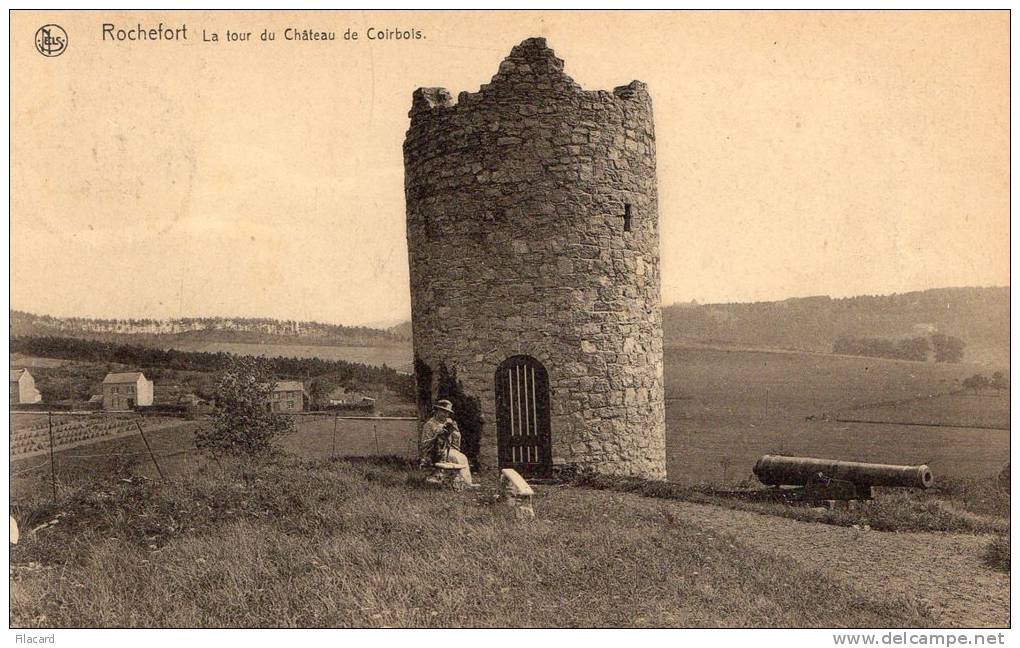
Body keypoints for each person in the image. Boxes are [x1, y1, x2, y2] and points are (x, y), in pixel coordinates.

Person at [420, 399, 473, 486]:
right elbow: (424, 445)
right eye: (443, 411)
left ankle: (466, 482)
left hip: (448, 450)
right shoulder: (429, 425)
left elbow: (455, 445)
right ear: (436, 411)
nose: (445, 414)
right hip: (435, 453)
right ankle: (461, 483)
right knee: (456, 457)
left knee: (462, 457)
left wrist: (455, 432)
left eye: (447, 412)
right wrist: (437, 436)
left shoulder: (449, 423)